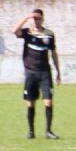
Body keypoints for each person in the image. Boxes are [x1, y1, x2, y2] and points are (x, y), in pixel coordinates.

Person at [13, 8, 61, 139]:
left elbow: (54, 53)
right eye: (34, 18)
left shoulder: (49, 34)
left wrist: (58, 71)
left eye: (38, 18)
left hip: (45, 73)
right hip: (31, 73)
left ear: (43, 19)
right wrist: (26, 17)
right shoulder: (27, 33)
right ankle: (31, 131)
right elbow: (14, 31)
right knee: (30, 103)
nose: (36, 21)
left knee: (49, 102)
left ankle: (48, 131)